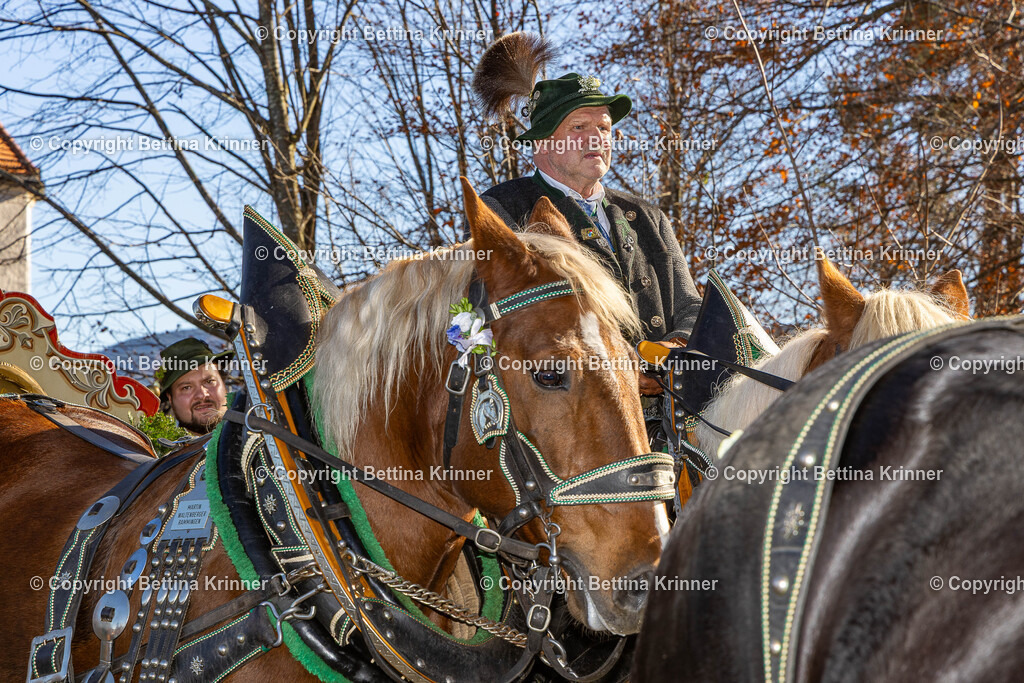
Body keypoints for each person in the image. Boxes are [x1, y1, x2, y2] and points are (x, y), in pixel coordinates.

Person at [471, 33, 703, 394]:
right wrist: (617, 367)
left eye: (604, 128)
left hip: (671, 416)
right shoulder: (504, 208)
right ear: (542, 142)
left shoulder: (648, 216)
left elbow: (691, 305)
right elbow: (497, 317)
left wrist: (673, 350)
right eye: (579, 127)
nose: (597, 138)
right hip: (574, 418)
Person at [156, 337, 231, 435]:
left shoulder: (255, 442)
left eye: (209, 381)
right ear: (170, 398)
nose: (201, 394)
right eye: (186, 388)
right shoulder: (155, 450)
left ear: (224, 384)